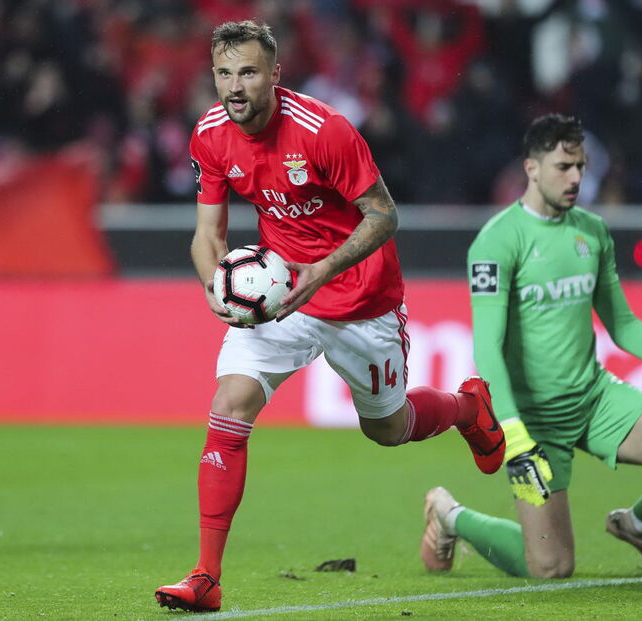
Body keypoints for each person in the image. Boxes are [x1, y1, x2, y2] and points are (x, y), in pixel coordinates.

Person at [155, 20, 505, 613]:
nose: (235, 86)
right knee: (230, 404)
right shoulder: (210, 135)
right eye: (224, 73)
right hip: (278, 294)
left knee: (387, 428)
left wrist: (322, 270)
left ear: (275, 74)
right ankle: (206, 577)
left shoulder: (325, 131)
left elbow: (384, 215)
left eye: (248, 72)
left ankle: (468, 406)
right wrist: (215, 288)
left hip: (361, 298)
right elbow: (206, 235)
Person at [419, 113, 642, 579]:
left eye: (581, 167)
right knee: (550, 567)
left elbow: (622, 325)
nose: (575, 179)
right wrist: (514, 432)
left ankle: (637, 525)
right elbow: (487, 347)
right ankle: (450, 515)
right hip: (534, 421)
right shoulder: (497, 242)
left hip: (595, 399)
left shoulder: (592, 230)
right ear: (531, 168)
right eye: (563, 167)